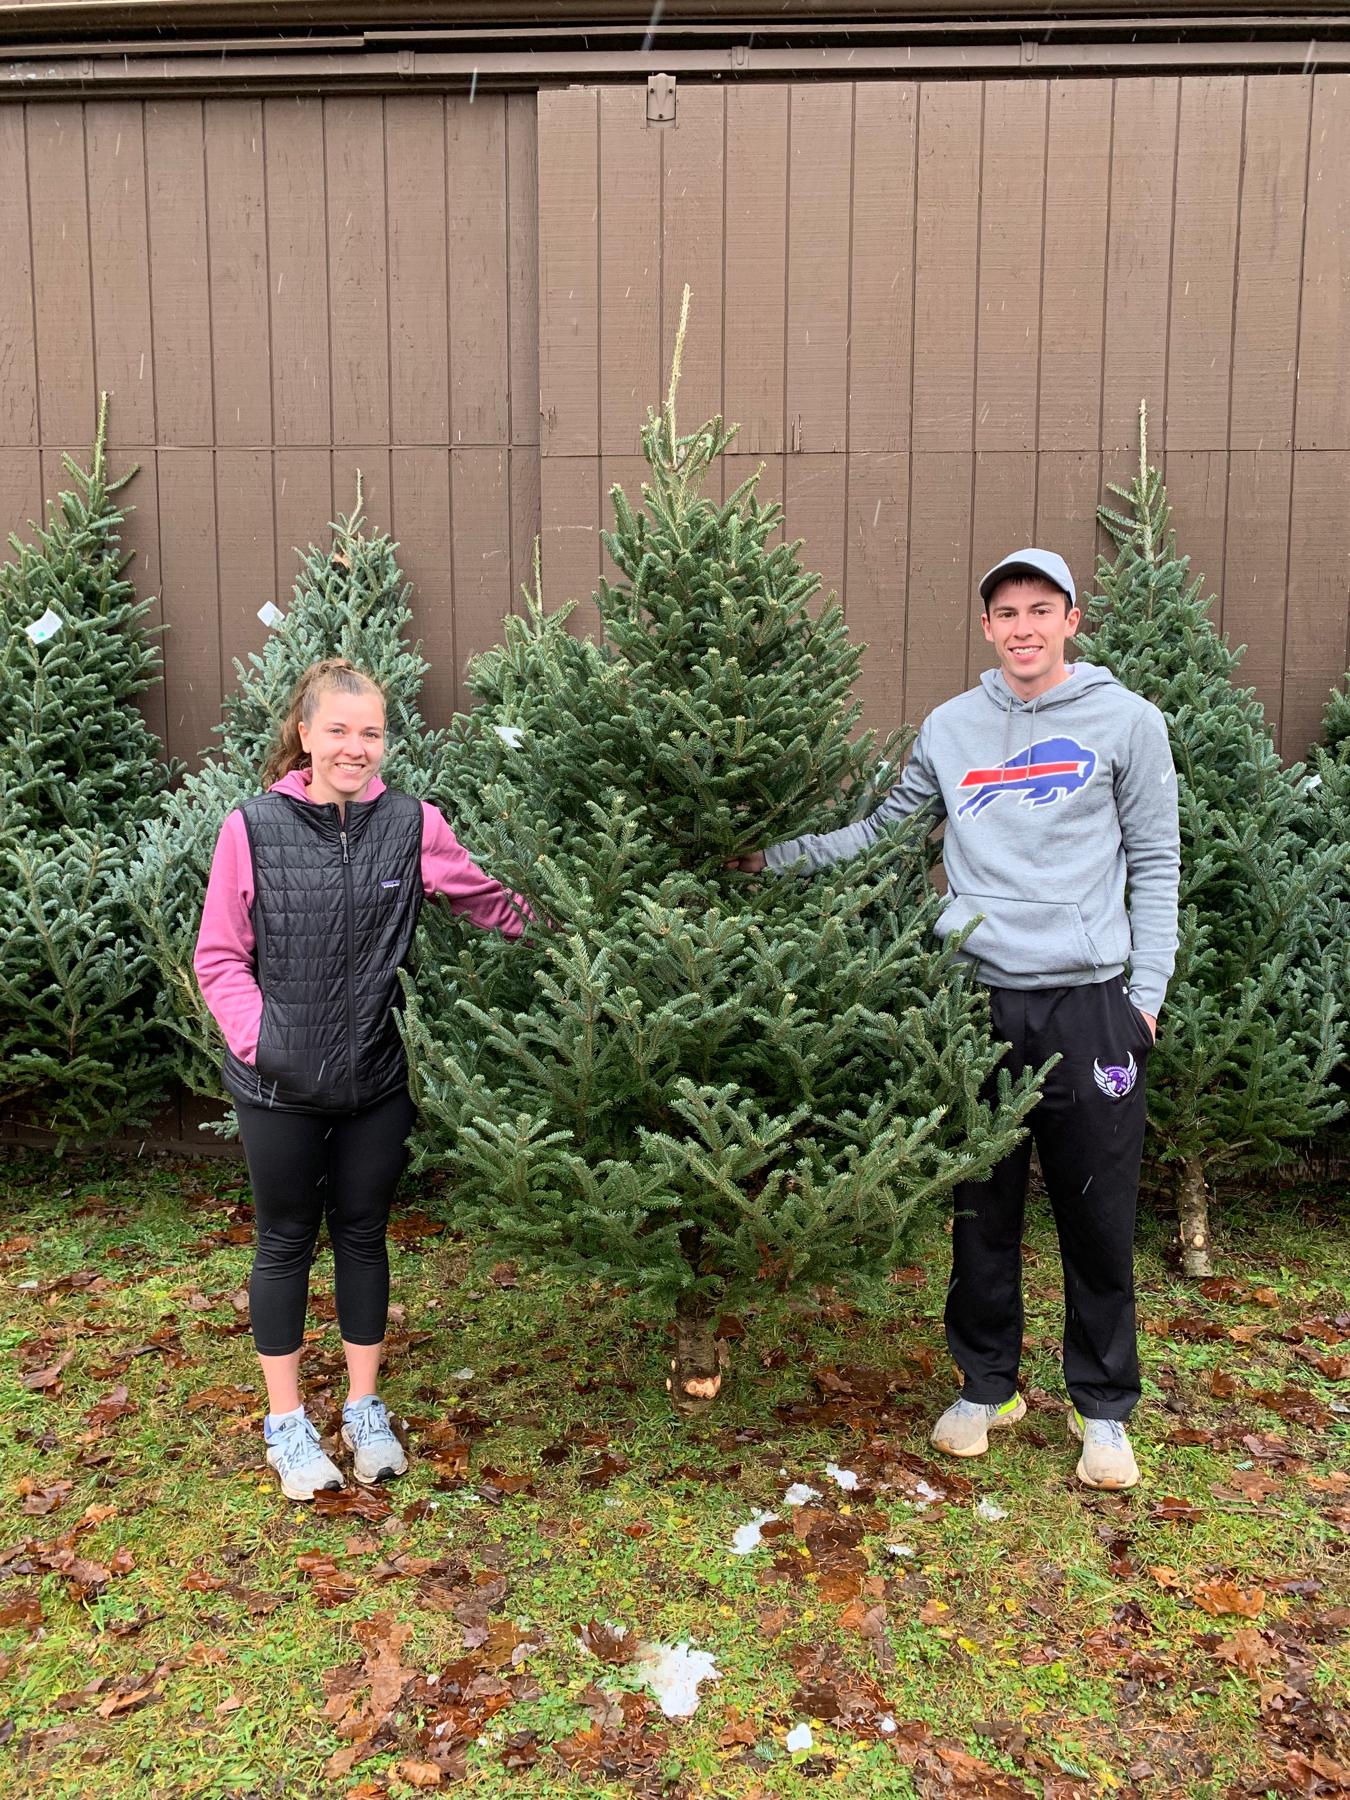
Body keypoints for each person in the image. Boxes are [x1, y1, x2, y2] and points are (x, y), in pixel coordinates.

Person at [730, 549, 1179, 1490]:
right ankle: (986, 1386)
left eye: (1041, 609)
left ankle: (1103, 1407)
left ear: (1071, 620)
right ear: (986, 627)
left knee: (1099, 1216)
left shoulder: (1129, 723)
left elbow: (1156, 860)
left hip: (1092, 1003)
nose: (1024, 627)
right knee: (982, 1207)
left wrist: (1145, 995)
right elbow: (884, 833)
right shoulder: (951, 727)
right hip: (975, 1000)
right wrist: (772, 858)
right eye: (1007, 612)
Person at [195, 658, 529, 1501]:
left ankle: (363, 1407)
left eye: (371, 732)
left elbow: (487, 900)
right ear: (305, 734)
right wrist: (262, 1041)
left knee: (362, 1233)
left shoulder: (413, 825)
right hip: (277, 1085)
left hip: (378, 1081)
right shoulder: (252, 828)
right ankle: (286, 1423)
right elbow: (219, 956)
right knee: (283, 1241)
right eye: (338, 730)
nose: (356, 747)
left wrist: (581, 922)